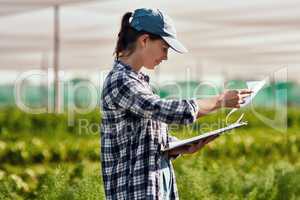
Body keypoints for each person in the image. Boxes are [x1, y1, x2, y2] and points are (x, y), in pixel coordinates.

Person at [100, 8, 251, 200]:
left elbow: (141, 136)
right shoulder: (120, 81)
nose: (166, 56)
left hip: (154, 187)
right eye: (164, 48)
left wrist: (174, 147)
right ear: (144, 40)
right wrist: (220, 101)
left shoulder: (138, 82)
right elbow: (162, 110)